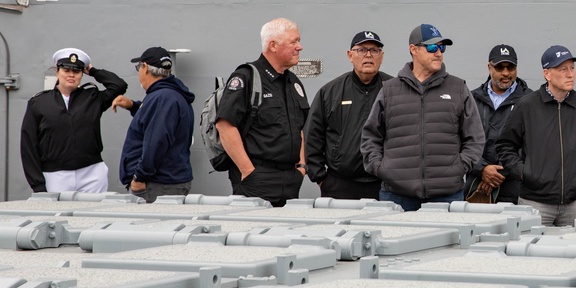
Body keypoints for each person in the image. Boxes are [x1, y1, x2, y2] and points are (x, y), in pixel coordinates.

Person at [360, 24, 484, 211]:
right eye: (432, 47)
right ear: (413, 50)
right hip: (396, 195)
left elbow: (475, 138)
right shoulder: (389, 90)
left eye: (442, 48)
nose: (439, 53)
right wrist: (381, 169)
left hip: (446, 195)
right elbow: (370, 137)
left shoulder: (458, 88)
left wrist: (459, 167)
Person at [496, 45, 576, 227]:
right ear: (547, 74)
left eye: (572, 68)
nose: (570, 74)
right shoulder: (527, 105)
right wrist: (525, 174)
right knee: (531, 252)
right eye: (563, 69)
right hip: (535, 203)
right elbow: (505, 145)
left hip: (575, 204)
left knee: (575, 252)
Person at [215, 18, 310, 207]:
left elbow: (298, 126)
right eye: (294, 42)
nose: (300, 47)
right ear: (273, 45)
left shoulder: (293, 83)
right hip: (257, 179)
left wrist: (301, 167)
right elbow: (224, 125)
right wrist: (248, 171)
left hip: (290, 180)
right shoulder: (246, 77)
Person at [20, 48, 127, 193]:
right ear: (57, 72)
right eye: (66, 70)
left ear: (82, 73)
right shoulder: (38, 103)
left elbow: (119, 85)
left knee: (92, 215)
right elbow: (28, 146)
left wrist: (93, 71)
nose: (71, 75)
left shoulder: (92, 98)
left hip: (92, 173)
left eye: (77, 71)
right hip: (55, 175)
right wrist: (37, 184)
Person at [304, 31, 392, 199]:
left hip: (383, 186)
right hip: (339, 186)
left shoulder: (394, 90)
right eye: (361, 50)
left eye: (374, 51)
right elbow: (312, 136)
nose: (368, 55)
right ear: (350, 55)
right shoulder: (330, 92)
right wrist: (320, 177)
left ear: (382, 56)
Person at [113, 47, 196, 203]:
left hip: (157, 185)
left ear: (144, 68)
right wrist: (133, 106)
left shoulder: (163, 97)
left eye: (138, 67)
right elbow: (158, 121)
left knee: (150, 227)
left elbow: (157, 141)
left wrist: (139, 177)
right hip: (164, 183)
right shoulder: (169, 94)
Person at [465, 44, 532, 204]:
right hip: (476, 187)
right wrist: (482, 169)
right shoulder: (471, 99)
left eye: (511, 67)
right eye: (500, 67)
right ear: (489, 67)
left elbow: (532, 144)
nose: (506, 73)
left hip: (516, 188)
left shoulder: (530, 100)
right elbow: (462, 140)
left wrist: (500, 173)